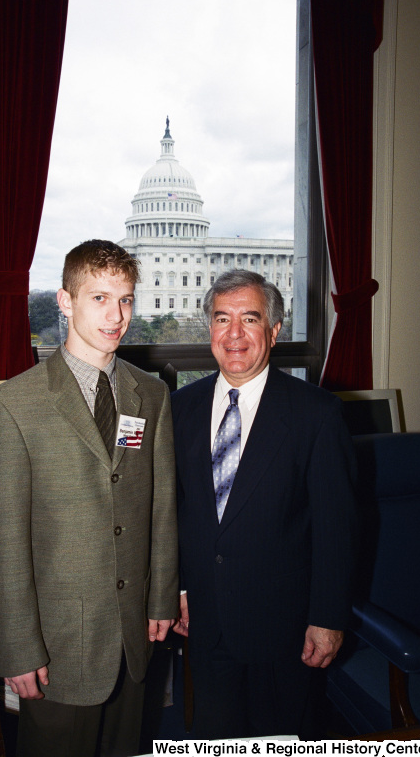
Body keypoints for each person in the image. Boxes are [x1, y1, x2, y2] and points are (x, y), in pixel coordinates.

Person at [0, 240, 179, 757]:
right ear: (65, 301)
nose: (116, 316)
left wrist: (159, 599)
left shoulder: (150, 394)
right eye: (99, 298)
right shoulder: (13, 405)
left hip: (134, 634)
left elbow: (160, 509)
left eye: (126, 300)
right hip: (58, 645)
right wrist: (19, 649)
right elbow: (4, 544)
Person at [171, 269, 356, 740]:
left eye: (249, 319)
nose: (234, 334)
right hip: (204, 622)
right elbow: (172, 513)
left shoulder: (317, 413)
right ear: (208, 328)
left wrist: (327, 618)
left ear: (273, 332)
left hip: (284, 630)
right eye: (221, 318)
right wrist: (181, 590)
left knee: (278, 741)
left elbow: (338, 529)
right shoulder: (179, 409)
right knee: (211, 738)